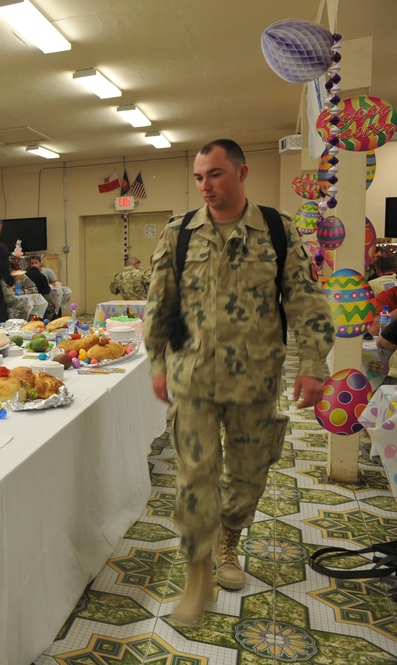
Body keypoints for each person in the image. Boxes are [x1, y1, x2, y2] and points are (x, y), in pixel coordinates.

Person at [143, 139, 333, 624]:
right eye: (199, 177)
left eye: (216, 174)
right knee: (195, 480)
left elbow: (305, 299)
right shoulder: (179, 233)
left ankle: (229, 540)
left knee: (247, 477)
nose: (206, 186)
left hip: (256, 378)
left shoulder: (276, 229)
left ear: (242, 173)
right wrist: (158, 363)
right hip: (193, 379)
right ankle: (196, 573)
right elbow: (159, 302)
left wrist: (313, 365)